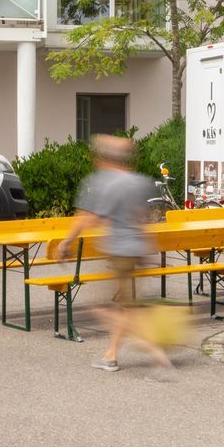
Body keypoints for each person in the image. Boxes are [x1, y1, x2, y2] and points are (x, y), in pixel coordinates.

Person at [60, 134, 172, 378]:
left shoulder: (101, 182)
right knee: (124, 306)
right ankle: (110, 355)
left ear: (104, 160)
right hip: (136, 250)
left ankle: (158, 356)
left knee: (110, 308)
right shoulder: (140, 182)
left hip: (119, 252)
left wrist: (66, 242)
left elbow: (88, 218)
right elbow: (142, 218)